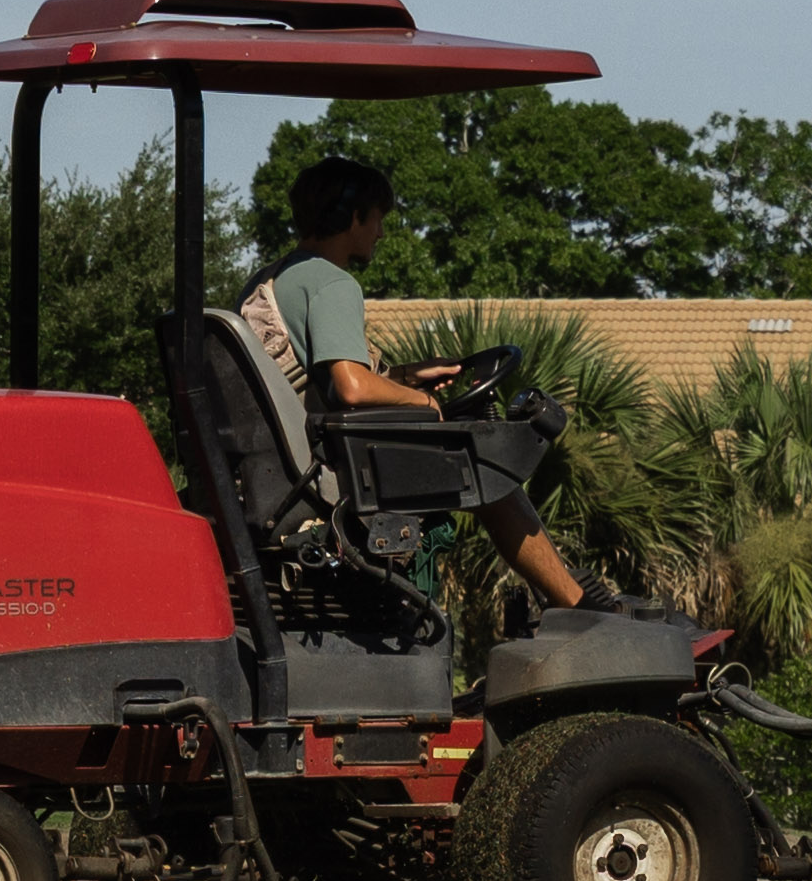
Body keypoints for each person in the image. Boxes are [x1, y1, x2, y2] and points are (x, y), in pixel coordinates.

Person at [237, 154, 591, 613]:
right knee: (491, 474)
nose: (381, 233)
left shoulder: (271, 280)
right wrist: (422, 401)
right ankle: (579, 606)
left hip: (277, 470)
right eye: (377, 218)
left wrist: (405, 375)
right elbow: (351, 388)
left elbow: (317, 375)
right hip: (331, 472)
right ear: (353, 216)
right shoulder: (332, 283)